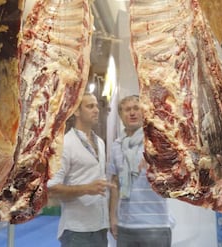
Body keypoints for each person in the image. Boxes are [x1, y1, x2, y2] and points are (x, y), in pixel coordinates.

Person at [47, 93, 114, 247]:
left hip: (100, 228)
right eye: (90, 106)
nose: (96, 110)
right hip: (76, 231)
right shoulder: (65, 144)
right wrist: (85, 189)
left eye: (97, 106)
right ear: (76, 111)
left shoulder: (100, 143)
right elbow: (51, 188)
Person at [109, 95, 173, 247]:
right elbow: (115, 184)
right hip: (125, 226)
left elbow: (173, 179)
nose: (132, 113)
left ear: (144, 112)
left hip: (156, 225)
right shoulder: (116, 146)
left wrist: (156, 167)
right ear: (121, 115)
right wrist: (113, 218)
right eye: (127, 109)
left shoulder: (156, 142)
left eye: (136, 108)